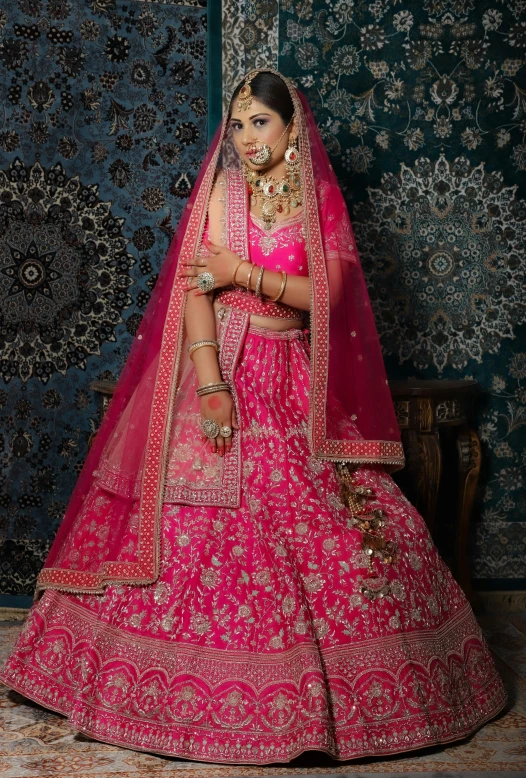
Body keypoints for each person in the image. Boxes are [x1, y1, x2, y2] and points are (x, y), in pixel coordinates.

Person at [0, 68, 507, 765]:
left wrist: (239, 272)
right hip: (220, 368)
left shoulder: (315, 199)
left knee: (331, 517)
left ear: (292, 127)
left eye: (259, 123)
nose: (244, 138)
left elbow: (321, 299)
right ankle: (139, 686)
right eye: (236, 125)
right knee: (177, 520)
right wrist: (211, 388)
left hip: (293, 376)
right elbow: (193, 289)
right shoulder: (222, 191)